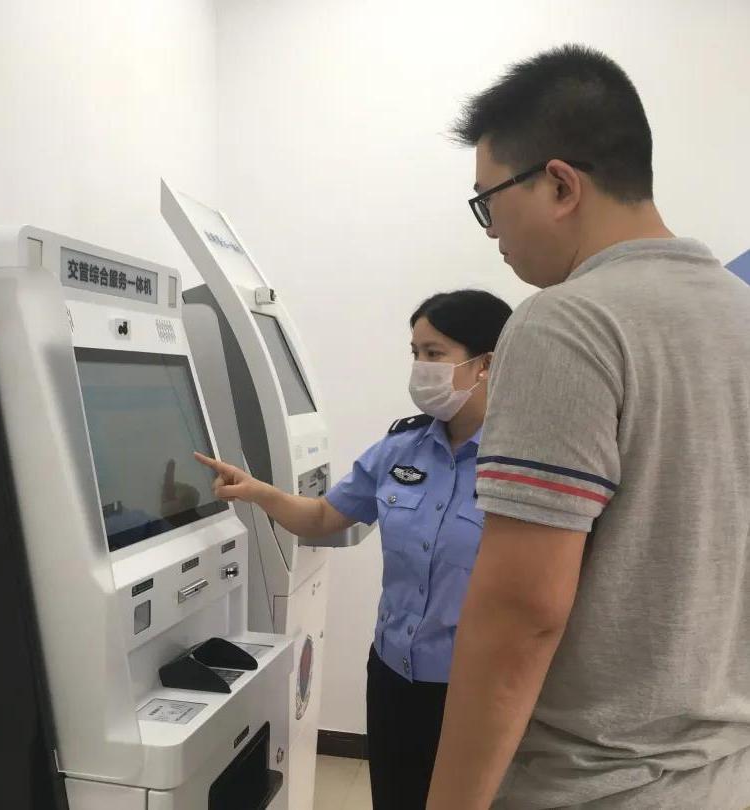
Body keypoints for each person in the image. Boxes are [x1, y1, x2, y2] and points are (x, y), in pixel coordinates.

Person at [426, 45, 750, 810]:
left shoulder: (566, 323)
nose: (491, 232)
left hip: (591, 785)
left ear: (559, 184)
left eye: (487, 200)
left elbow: (521, 614)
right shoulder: (738, 311)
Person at [195, 289, 511, 810]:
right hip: (392, 675)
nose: (420, 367)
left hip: (476, 690)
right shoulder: (401, 448)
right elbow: (324, 517)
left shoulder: (522, 460)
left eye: (434, 353)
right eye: (415, 352)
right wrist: (257, 491)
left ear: (486, 363)